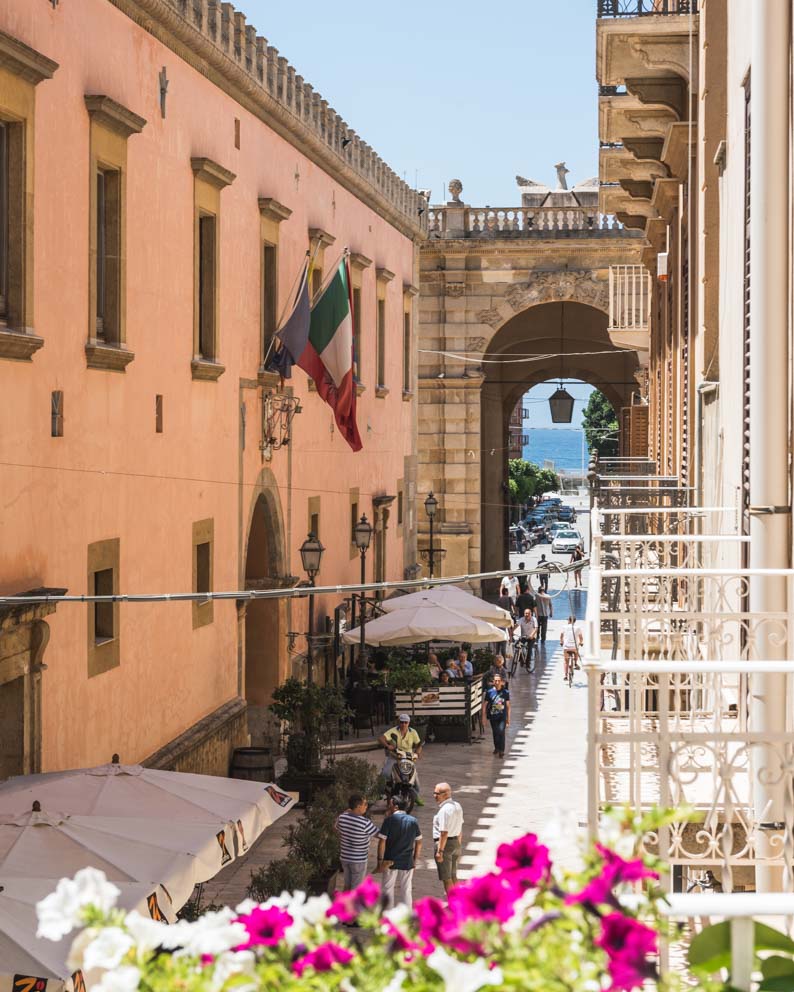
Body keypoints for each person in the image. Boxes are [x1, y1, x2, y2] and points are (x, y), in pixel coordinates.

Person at [377, 795, 422, 909]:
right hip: (407, 861)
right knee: (406, 889)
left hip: (390, 860)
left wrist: (380, 861)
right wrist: (415, 860)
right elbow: (419, 842)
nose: (389, 806)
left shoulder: (389, 820)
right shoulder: (413, 821)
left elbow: (382, 842)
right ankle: (407, 915)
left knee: (387, 888)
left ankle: (387, 913)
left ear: (395, 806)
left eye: (390, 804)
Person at [335, 793, 380, 890]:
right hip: (358, 860)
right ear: (358, 806)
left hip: (345, 857)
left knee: (347, 885)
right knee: (356, 888)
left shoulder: (342, 817)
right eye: (365, 804)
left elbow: (335, 827)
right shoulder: (365, 823)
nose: (366, 806)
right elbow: (380, 835)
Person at [379, 714, 423, 802]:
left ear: (408, 723)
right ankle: (380, 792)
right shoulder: (393, 731)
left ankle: (415, 796)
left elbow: (419, 745)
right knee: (385, 774)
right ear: (399, 722)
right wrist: (387, 746)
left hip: (408, 757)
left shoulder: (413, 732)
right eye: (402, 722)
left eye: (406, 722)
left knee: (414, 779)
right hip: (395, 756)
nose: (403, 724)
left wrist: (417, 753)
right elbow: (381, 738)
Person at [432, 782, 464, 897]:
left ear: (445, 794)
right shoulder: (457, 806)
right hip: (455, 843)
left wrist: (440, 851)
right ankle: (460, 901)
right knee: (453, 875)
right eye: (434, 793)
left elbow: (444, 832)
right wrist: (458, 844)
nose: (434, 796)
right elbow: (460, 826)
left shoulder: (444, 810)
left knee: (447, 878)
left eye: (437, 794)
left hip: (445, 845)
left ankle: (452, 902)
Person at [485, 673, 511, 758]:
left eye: (498, 681)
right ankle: (496, 747)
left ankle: (501, 750)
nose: (497, 682)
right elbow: (484, 705)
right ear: (493, 682)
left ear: (502, 682)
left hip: (502, 716)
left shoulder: (505, 692)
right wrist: (483, 717)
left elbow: (508, 706)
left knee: (501, 732)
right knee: (495, 732)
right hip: (493, 716)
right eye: (495, 681)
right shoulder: (489, 692)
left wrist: (508, 719)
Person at [560, 615, 584, 682]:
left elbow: (561, 636)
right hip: (574, 647)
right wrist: (581, 642)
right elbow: (581, 638)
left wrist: (561, 642)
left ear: (569, 620)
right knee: (577, 650)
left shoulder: (564, 627)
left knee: (566, 661)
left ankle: (565, 675)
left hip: (566, 647)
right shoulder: (578, 628)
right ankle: (575, 663)